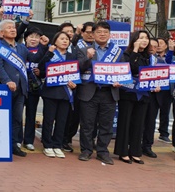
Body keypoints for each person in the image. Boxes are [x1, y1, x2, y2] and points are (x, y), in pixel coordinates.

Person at [0, 20, 46, 157]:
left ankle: (15, 145)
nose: (13, 29)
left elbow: (34, 58)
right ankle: (1, 144)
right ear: (1, 33)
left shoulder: (21, 48)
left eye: (14, 27)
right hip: (6, 88)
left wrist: (44, 47)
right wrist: (7, 81)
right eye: (9, 28)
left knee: (17, 118)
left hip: (21, 88)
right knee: (3, 117)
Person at [76, 21, 122, 165]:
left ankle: (102, 151)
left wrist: (119, 80)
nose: (102, 34)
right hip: (89, 91)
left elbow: (122, 71)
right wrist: (88, 58)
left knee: (106, 125)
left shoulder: (118, 52)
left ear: (109, 34)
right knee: (87, 124)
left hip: (109, 92)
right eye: (99, 32)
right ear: (93, 34)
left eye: (105, 32)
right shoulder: (84, 50)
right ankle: (86, 150)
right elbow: (78, 69)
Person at [114, 30, 155, 165]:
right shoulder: (127, 54)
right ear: (134, 40)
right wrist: (135, 51)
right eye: (141, 38)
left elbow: (152, 74)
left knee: (139, 123)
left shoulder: (150, 57)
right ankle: (123, 152)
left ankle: (136, 152)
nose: (144, 40)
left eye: (146, 38)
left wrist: (157, 84)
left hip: (143, 94)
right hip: (128, 92)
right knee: (125, 122)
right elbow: (130, 68)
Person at [37, 32, 78, 158]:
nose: (65, 41)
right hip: (51, 91)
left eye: (67, 39)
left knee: (62, 121)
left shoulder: (72, 56)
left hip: (65, 92)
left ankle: (57, 144)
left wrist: (74, 84)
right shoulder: (50, 53)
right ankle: (47, 144)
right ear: (55, 41)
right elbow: (41, 69)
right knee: (49, 119)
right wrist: (49, 52)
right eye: (62, 39)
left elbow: (75, 73)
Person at [63, 21, 95, 152]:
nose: (91, 35)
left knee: (91, 118)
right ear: (82, 32)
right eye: (88, 32)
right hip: (77, 84)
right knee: (73, 115)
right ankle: (67, 139)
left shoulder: (98, 46)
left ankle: (90, 140)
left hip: (92, 86)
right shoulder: (77, 45)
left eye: (94, 32)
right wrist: (75, 34)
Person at [22, 27, 44, 152]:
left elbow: (47, 69)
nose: (34, 39)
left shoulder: (43, 51)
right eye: (31, 36)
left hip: (34, 88)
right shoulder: (20, 49)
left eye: (36, 37)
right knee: (17, 114)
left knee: (31, 115)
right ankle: (17, 139)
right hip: (21, 86)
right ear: (26, 38)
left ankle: (29, 141)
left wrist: (41, 73)